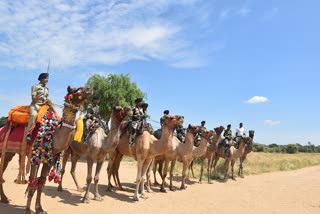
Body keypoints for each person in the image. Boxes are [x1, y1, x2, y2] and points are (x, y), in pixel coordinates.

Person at [25, 73, 49, 141]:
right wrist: (40, 98)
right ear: (41, 79)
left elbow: (46, 98)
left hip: (44, 106)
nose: (47, 80)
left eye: (47, 78)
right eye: (46, 78)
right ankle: (28, 133)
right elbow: (33, 98)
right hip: (35, 105)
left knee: (52, 116)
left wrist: (48, 101)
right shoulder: (35, 86)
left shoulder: (47, 89)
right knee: (33, 115)